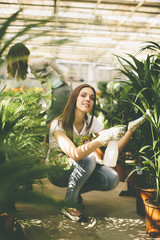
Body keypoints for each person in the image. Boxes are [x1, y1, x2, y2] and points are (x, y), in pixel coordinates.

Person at [47, 83, 148, 222]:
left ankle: (73, 194)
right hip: (57, 171)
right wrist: (101, 139)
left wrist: (130, 130)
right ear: (74, 99)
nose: (88, 99)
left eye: (92, 97)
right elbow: (74, 153)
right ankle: (69, 205)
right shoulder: (59, 124)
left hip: (78, 165)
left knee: (111, 178)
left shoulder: (92, 122)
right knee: (89, 159)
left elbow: (115, 148)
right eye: (83, 95)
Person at [1, 42, 71, 121]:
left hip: (60, 90)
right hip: (57, 91)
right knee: (55, 119)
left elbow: (49, 60)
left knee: (53, 119)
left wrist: (62, 76)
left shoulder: (33, 62)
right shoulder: (30, 64)